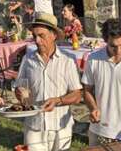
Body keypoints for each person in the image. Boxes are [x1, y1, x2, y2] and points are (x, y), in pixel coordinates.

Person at [15, 13, 82, 150]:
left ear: (54, 35)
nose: (37, 41)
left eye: (42, 36)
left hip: (60, 126)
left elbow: (77, 95)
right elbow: (19, 88)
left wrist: (57, 100)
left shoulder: (67, 60)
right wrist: (20, 93)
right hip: (34, 125)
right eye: (34, 36)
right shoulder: (28, 59)